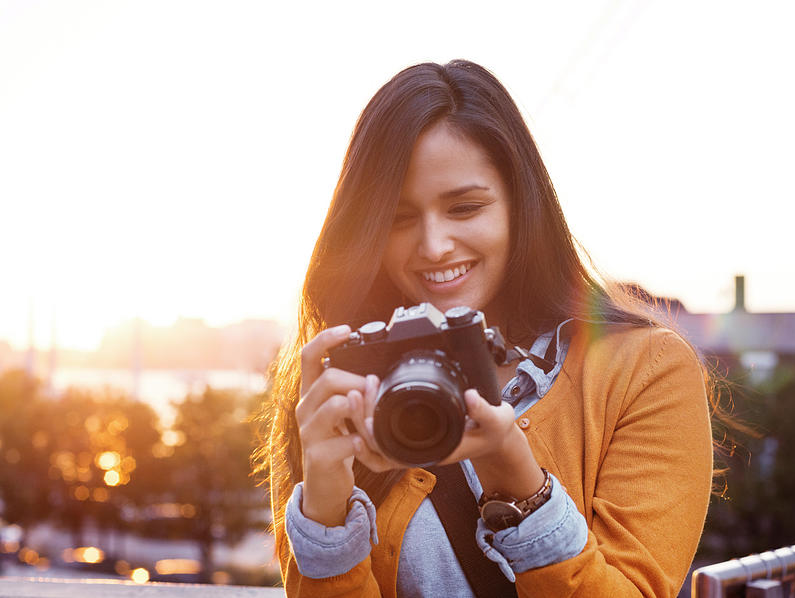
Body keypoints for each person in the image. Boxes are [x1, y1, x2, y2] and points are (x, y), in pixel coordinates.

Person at [260, 59, 715, 597]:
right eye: (398, 218)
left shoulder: (645, 371)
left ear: (522, 206)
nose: (433, 245)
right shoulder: (338, 385)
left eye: (465, 207)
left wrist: (516, 480)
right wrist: (327, 511)